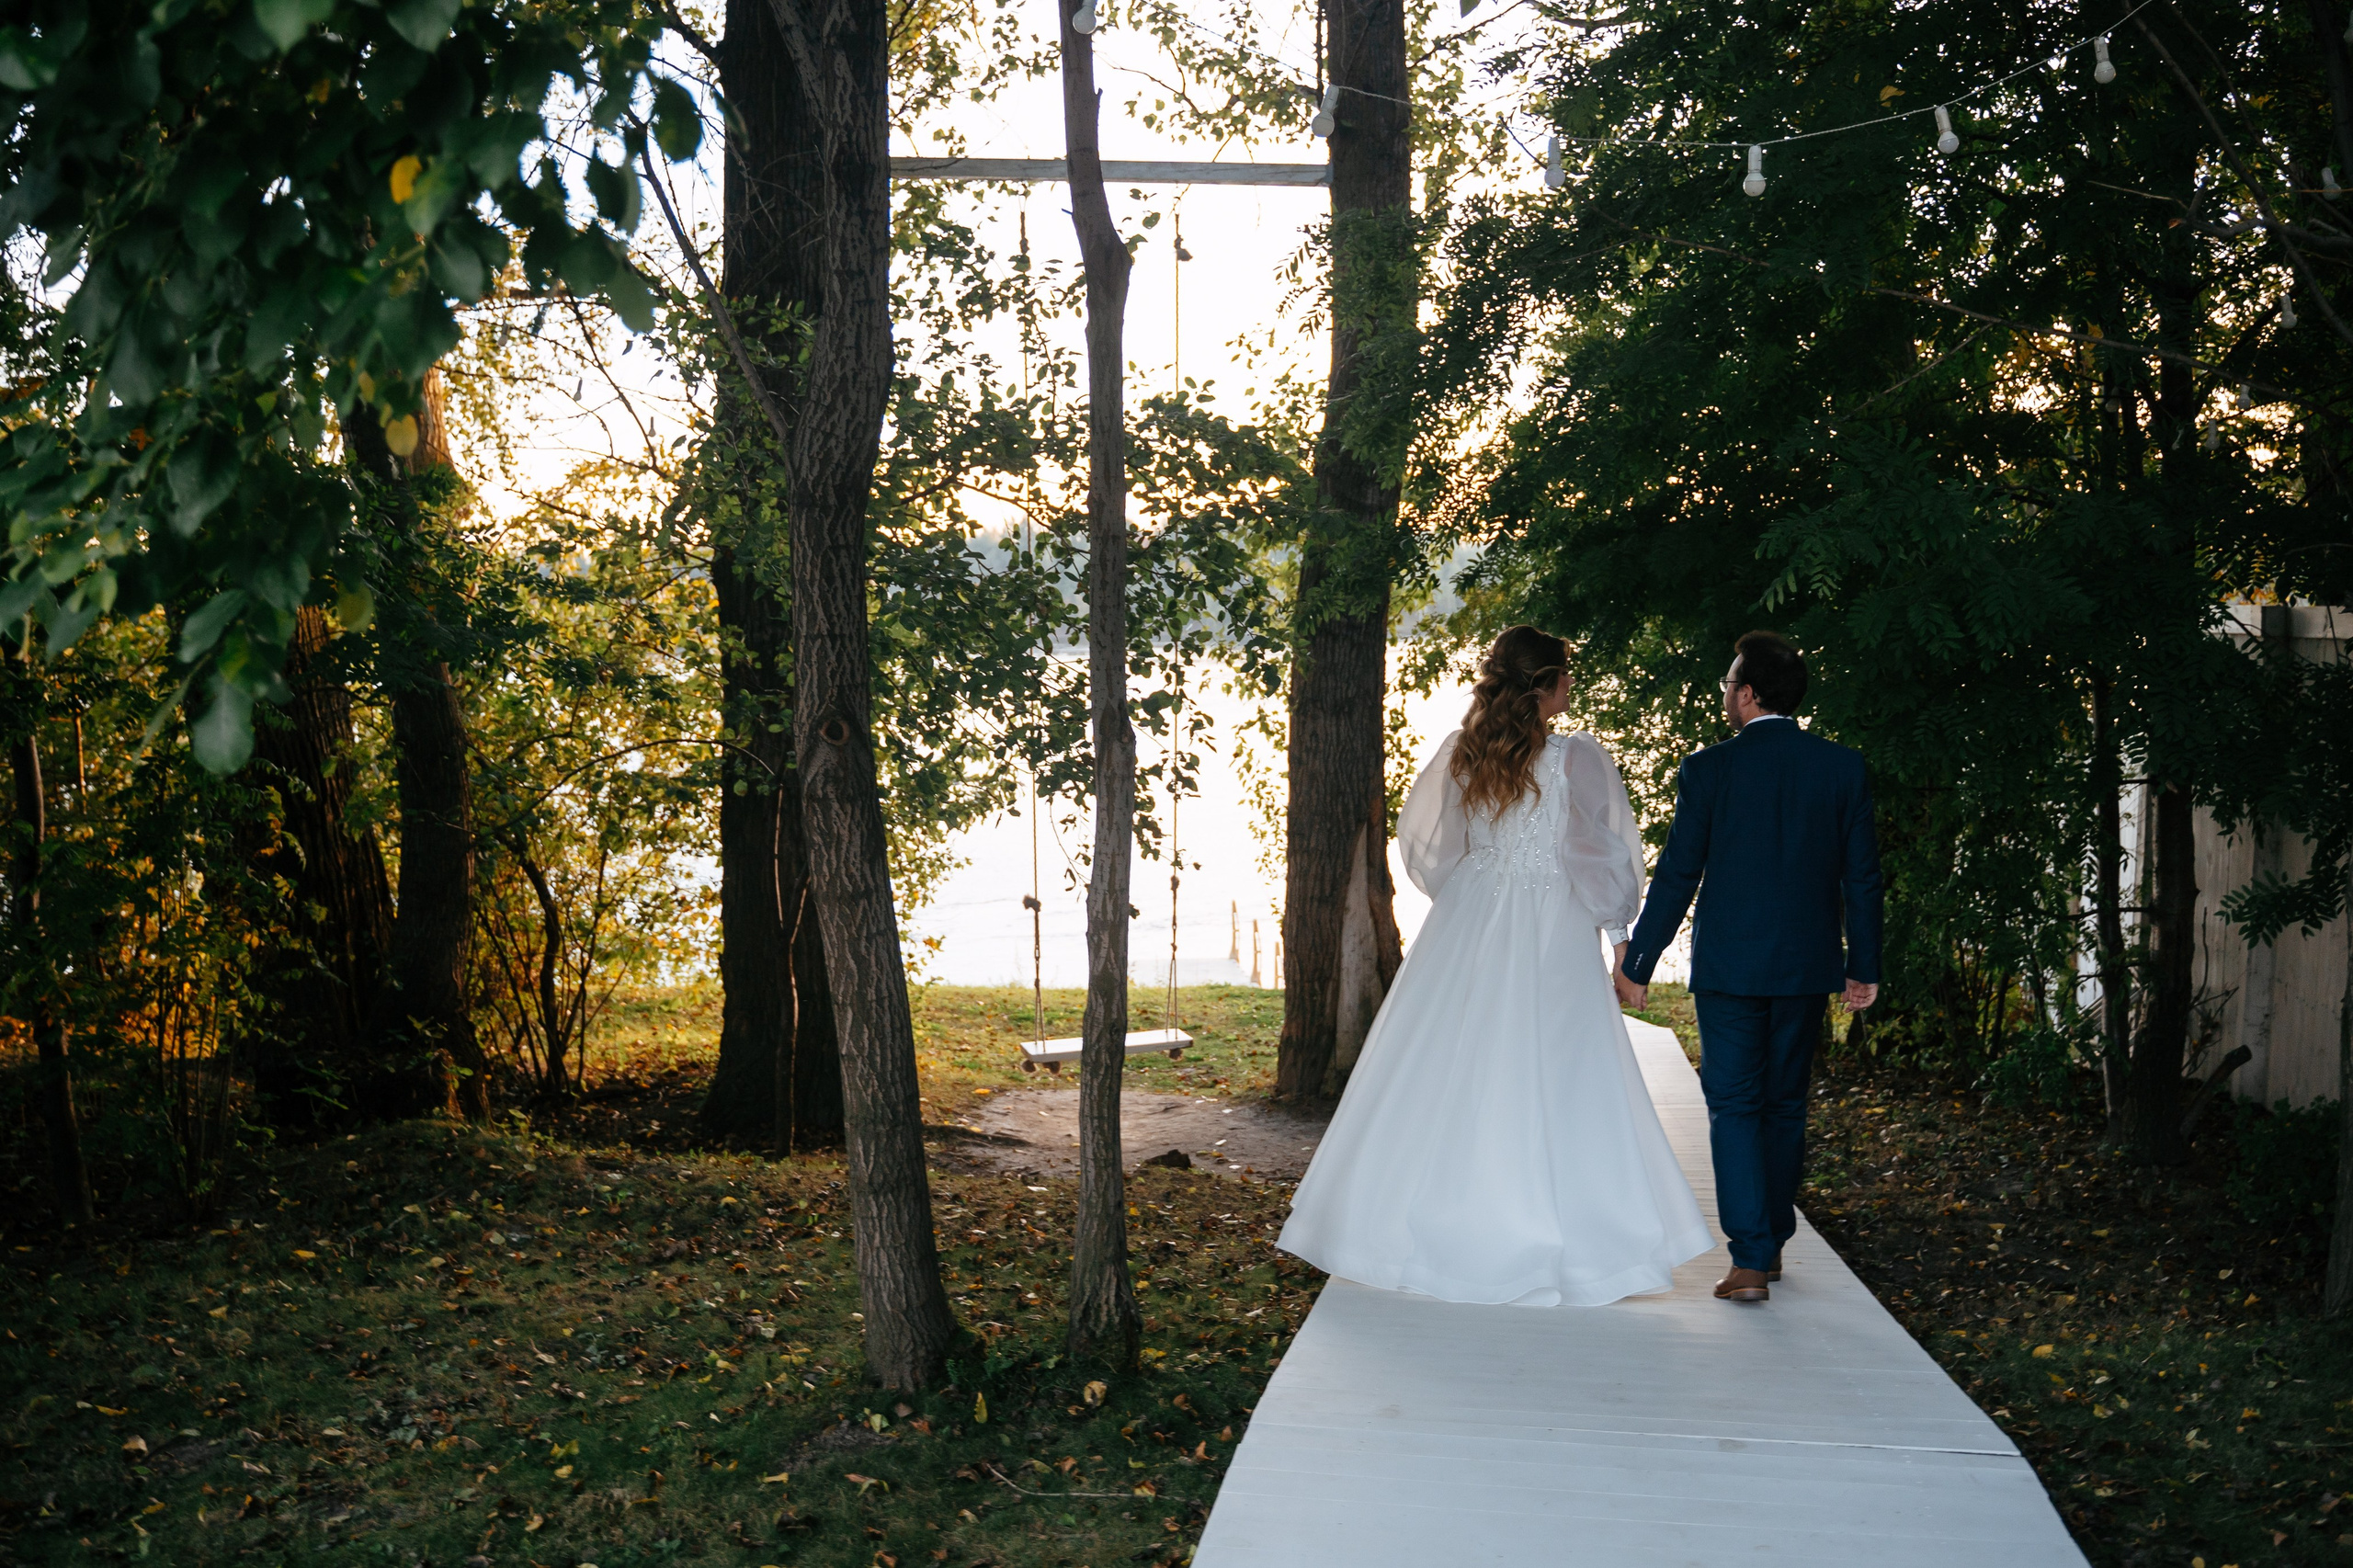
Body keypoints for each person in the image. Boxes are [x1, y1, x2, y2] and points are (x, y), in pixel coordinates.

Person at [1278, 627, 1713, 1307]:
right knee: (1559, 1067)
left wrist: (1471, 891)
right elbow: (1601, 859)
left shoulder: (1464, 751)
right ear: (1545, 684)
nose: (1572, 686)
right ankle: (1565, 1232)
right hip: (1552, 924)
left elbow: (1424, 846)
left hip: (1472, 916)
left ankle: (1430, 1218)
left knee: (1456, 1060)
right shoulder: (1577, 760)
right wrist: (1619, 935)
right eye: (1566, 675)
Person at [1614, 631, 1883, 1306]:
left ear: (1749, 694)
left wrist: (1638, 961)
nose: (1726, 695)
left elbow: (1678, 874)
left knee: (1735, 1107)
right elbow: (1863, 879)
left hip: (1731, 967)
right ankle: (1771, 1239)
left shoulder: (1709, 770)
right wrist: (1864, 964)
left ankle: (1751, 1257)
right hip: (1805, 967)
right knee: (1785, 1104)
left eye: (1731, 683)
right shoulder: (1841, 767)